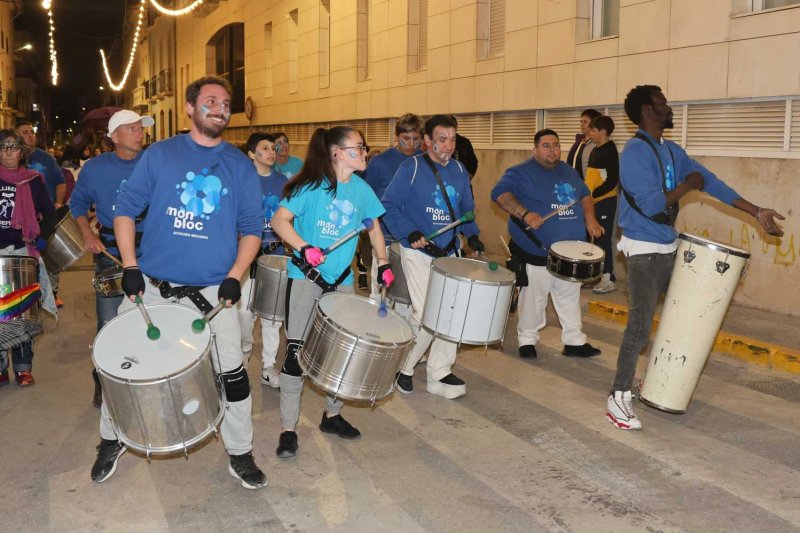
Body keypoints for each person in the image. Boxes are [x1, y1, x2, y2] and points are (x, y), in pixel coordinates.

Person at [90, 76, 267, 490]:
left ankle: (239, 451)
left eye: (225, 102)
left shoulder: (239, 164)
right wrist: (130, 265)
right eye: (210, 101)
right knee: (121, 366)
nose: (219, 107)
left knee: (234, 374)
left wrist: (234, 277)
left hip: (213, 296)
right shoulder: (161, 155)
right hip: (151, 286)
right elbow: (124, 211)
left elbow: (252, 228)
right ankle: (110, 439)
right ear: (190, 108)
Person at [606, 85, 785, 431]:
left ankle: (655, 380)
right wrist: (689, 184)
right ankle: (618, 396)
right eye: (662, 102)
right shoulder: (634, 154)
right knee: (640, 328)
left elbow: (711, 183)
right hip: (643, 251)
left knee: (682, 317)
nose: (668, 106)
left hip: (669, 246)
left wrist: (756, 211)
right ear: (647, 110)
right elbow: (653, 205)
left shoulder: (671, 150)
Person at [271, 126, 393, 459]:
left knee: (343, 353)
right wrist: (304, 246)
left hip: (342, 281)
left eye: (364, 147)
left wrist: (382, 262)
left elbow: (374, 229)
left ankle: (332, 414)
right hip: (306, 278)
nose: (365, 152)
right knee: (296, 355)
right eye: (359, 147)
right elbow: (279, 221)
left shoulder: (363, 191)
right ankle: (288, 429)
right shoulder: (310, 187)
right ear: (337, 152)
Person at [382, 114, 483, 399]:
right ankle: (405, 367)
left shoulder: (460, 171)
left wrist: (472, 233)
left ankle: (440, 369)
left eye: (452, 139)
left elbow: (467, 210)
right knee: (429, 314)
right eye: (442, 139)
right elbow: (388, 204)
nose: (448, 145)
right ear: (427, 141)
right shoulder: (410, 168)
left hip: (449, 252)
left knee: (451, 312)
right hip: (417, 252)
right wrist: (408, 230)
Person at [491, 129, 604, 361]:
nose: (552, 150)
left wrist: (590, 219)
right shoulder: (520, 172)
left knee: (569, 296)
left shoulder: (568, 171)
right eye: (546, 145)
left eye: (555, 145)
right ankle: (527, 341)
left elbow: (584, 195)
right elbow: (499, 194)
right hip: (536, 250)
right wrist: (524, 213)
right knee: (533, 298)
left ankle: (574, 341)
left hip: (569, 251)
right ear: (535, 149)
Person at [69, 109, 154, 408]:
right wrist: (87, 235)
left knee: (151, 317)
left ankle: (144, 374)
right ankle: (103, 378)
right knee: (109, 321)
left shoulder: (154, 162)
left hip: (153, 254)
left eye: (140, 128)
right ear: (115, 136)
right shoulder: (95, 168)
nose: (139, 133)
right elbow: (77, 203)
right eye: (132, 129)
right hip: (110, 253)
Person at [0, 129, 56, 386]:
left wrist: (42, 236)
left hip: (23, 255)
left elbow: (49, 212)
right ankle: (0, 368)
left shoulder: (33, 180)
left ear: (22, 151)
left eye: (13, 146)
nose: (9, 151)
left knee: (23, 314)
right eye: (3, 147)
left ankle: (23, 368)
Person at [237, 132, 288, 389]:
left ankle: (268, 366)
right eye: (265, 148)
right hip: (246, 257)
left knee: (272, 317)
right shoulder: (241, 180)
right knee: (244, 316)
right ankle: (243, 356)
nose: (271, 152)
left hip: (275, 255)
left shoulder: (283, 181)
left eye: (273, 148)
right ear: (251, 153)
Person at [363, 113, 424, 302]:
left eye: (416, 139)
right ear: (396, 136)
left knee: (409, 292)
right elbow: (367, 193)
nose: (411, 144)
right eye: (406, 138)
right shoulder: (380, 162)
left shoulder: (424, 161)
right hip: (385, 234)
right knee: (381, 288)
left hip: (413, 234)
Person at [17, 120, 66, 308]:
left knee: (50, 255)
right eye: (25, 132)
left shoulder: (46, 158)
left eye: (32, 132)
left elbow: (60, 182)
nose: (31, 135)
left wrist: (58, 203)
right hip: (23, 218)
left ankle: (52, 293)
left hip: (45, 215)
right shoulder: (13, 159)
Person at [584, 115, 620, 294]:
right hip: (592, 202)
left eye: (593, 130)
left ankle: (609, 278)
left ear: (603, 132)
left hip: (605, 201)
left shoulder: (610, 150)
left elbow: (613, 180)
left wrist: (594, 195)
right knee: (592, 238)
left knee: (603, 238)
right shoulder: (595, 150)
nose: (590, 133)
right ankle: (596, 275)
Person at [565, 109, 602, 181]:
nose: (582, 124)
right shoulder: (579, 140)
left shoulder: (597, 143)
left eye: (585, 122)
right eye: (581, 121)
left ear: (594, 124)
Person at [449, 115, 479, 180]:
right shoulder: (440, 143)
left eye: (453, 126)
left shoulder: (465, 142)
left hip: (463, 181)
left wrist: (469, 176)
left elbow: (473, 162)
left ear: (457, 126)